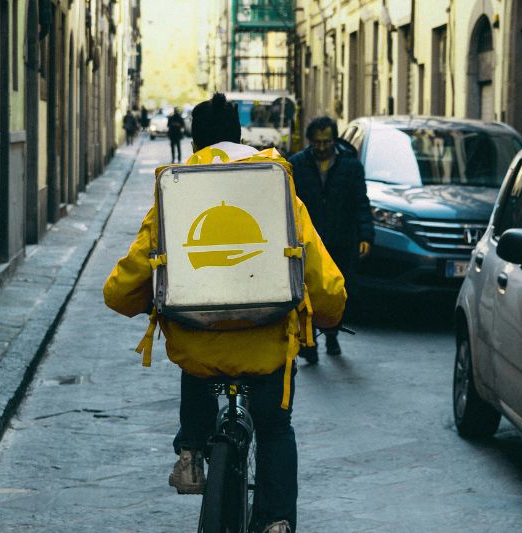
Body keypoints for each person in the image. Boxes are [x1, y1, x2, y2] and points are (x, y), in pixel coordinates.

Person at [103, 93, 346, 533]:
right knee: (275, 428)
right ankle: (276, 521)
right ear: (240, 137)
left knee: (195, 355)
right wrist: (329, 314)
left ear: (195, 142)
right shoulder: (275, 185)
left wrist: (136, 300)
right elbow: (318, 273)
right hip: (266, 346)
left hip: (199, 348)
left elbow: (128, 282)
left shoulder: (176, 191)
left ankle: (191, 454)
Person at [288, 116, 374, 362]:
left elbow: (361, 202)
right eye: (317, 142)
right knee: (308, 293)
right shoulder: (297, 165)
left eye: (326, 142)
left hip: (341, 240)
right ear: (310, 141)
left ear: (334, 140)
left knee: (335, 293)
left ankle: (332, 334)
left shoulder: (351, 166)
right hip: (309, 242)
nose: (322, 147)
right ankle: (310, 343)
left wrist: (366, 235)